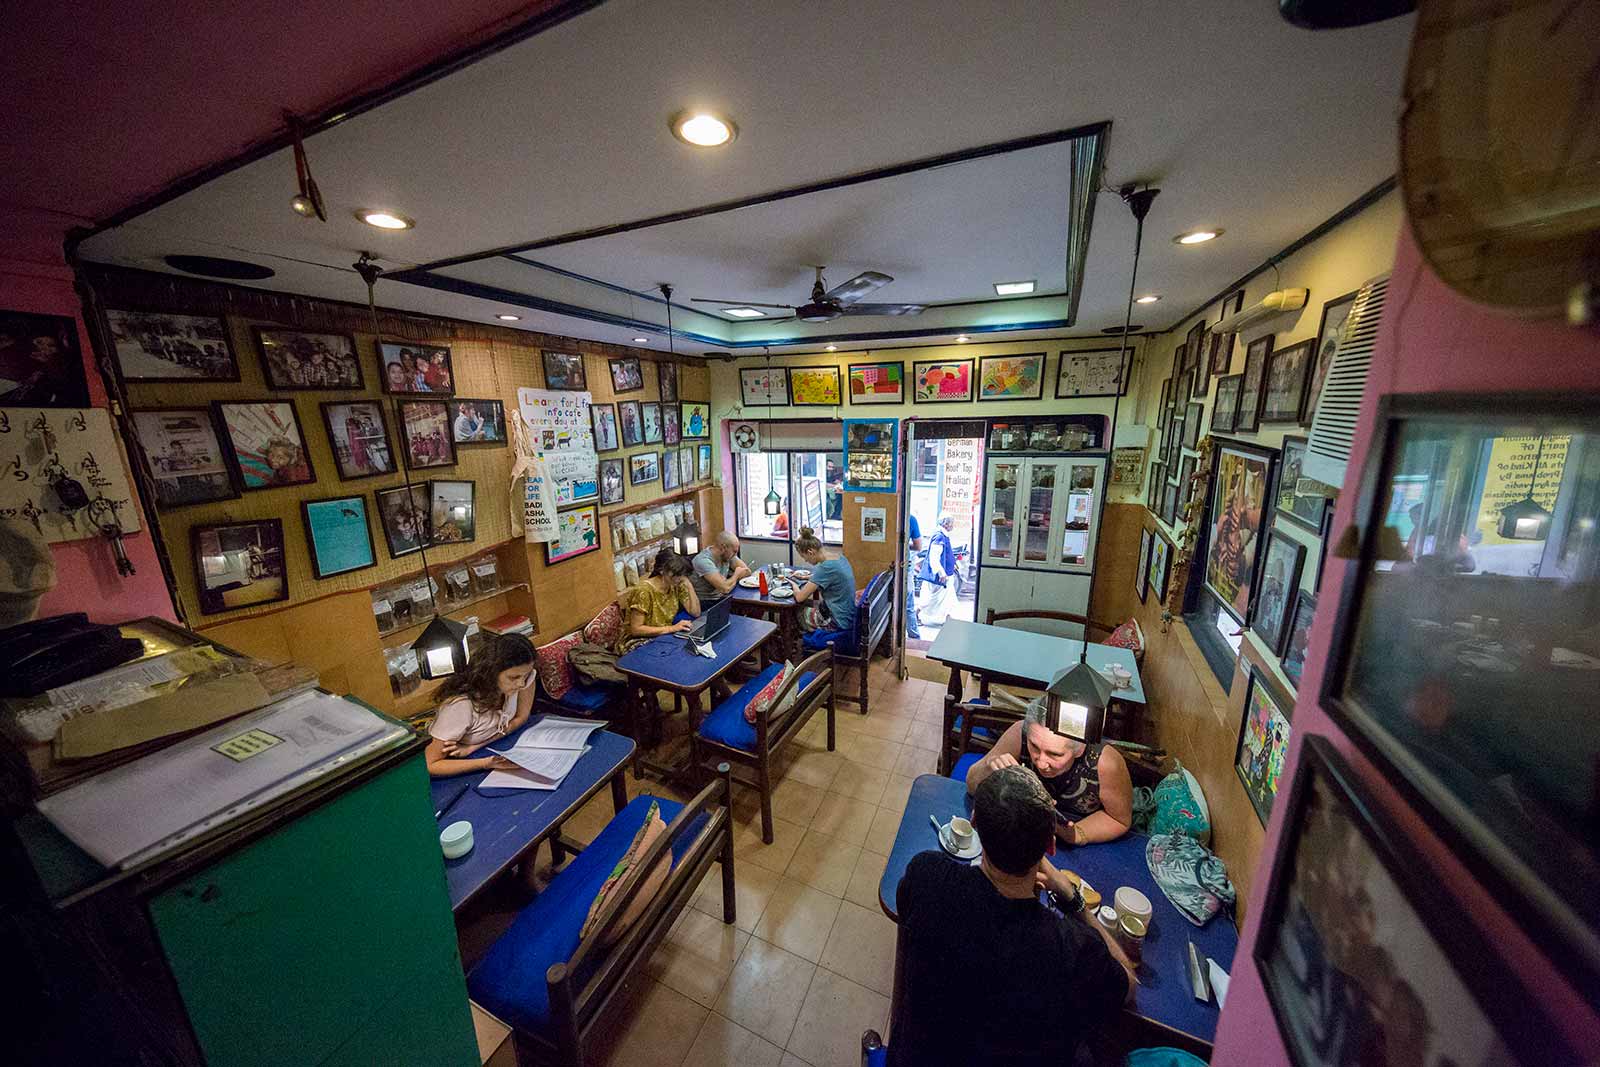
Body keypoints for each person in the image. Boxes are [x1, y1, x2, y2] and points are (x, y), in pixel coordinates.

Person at [890, 765, 1136, 1067]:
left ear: (975, 822)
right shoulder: (1073, 948)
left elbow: (907, 905)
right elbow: (1128, 984)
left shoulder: (927, 875)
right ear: (1051, 845)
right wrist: (1072, 898)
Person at [965, 697, 1134, 844]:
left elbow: (1118, 819)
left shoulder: (1106, 764)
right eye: (1034, 747)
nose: (1041, 763)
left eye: (1055, 754)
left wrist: (1076, 834)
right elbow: (972, 785)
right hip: (1020, 831)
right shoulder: (1020, 733)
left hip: (1070, 840)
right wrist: (989, 766)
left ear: (1080, 748)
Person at [425, 634, 537, 776]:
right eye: (513, 677)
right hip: (460, 767)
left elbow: (521, 717)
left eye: (525, 676)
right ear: (492, 672)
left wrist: (472, 747)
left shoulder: (524, 678)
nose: (521, 684)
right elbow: (430, 765)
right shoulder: (460, 706)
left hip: (488, 748)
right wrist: (485, 763)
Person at [619, 548, 702, 652]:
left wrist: (689, 586)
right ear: (662, 570)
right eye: (677, 574)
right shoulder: (643, 591)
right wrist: (671, 628)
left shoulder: (675, 584)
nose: (680, 578)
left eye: (682, 574)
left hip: (661, 634)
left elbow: (695, 612)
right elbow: (636, 629)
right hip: (637, 640)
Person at [791, 525, 856, 632]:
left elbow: (799, 597)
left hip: (837, 621)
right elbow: (831, 577)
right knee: (811, 603)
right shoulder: (839, 557)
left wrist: (793, 585)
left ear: (810, 552)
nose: (806, 561)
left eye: (804, 557)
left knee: (796, 610)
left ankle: (801, 642)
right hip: (848, 614)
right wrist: (806, 577)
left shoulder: (824, 568)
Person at [690, 530, 750, 605]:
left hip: (721, 597)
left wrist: (728, 581)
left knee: (754, 607)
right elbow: (725, 589)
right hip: (705, 601)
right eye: (734, 551)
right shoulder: (703, 560)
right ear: (723, 548)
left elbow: (747, 572)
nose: (735, 555)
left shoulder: (728, 555)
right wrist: (736, 575)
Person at [905, 512, 924, 638]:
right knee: (908, 604)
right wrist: (904, 545)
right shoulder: (910, 519)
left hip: (884, 567)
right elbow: (918, 546)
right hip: (905, 567)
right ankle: (914, 636)